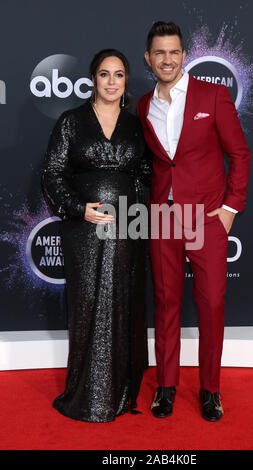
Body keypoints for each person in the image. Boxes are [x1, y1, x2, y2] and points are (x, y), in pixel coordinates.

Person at [137, 22, 250, 421]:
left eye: (174, 52)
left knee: (212, 305)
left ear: (183, 55)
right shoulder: (143, 104)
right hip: (164, 217)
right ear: (149, 59)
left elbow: (239, 154)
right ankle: (166, 387)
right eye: (159, 53)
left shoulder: (214, 95)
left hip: (206, 217)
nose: (167, 59)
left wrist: (230, 209)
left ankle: (210, 390)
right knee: (166, 302)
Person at [41, 49, 151, 422]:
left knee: (122, 303)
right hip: (83, 232)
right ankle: (86, 394)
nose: (111, 82)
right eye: (104, 74)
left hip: (127, 231)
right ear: (93, 79)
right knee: (89, 306)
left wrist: (135, 213)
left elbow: (146, 174)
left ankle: (121, 390)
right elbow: (52, 174)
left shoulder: (136, 125)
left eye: (118, 75)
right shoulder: (71, 122)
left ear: (126, 81)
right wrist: (77, 208)